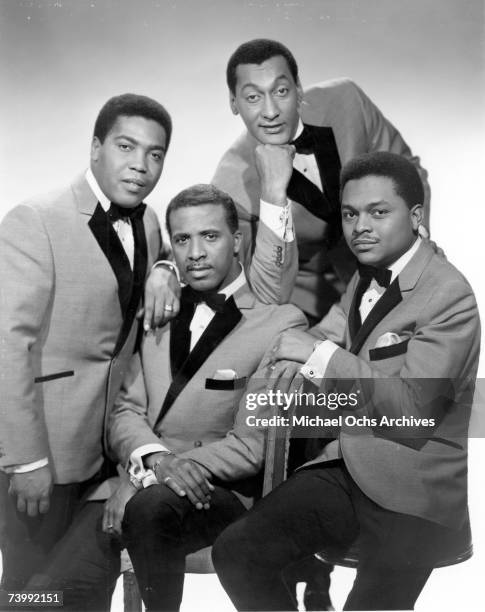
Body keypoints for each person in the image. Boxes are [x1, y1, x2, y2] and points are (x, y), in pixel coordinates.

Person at [212, 152, 480, 611]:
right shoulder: (364, 277)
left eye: (379, 212)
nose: (361, 227)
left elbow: (415, 411)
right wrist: (295, 352)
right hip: (348, 465)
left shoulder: (449, 295)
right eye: (351, 214)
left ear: (416, 217)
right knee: (236, 551)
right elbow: (328, 332)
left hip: (412, 490)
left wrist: (316, 355)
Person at [26, 184, 307, 611]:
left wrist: (152, 479)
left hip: (221, 495)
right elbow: (125, 410)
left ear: (238, 242)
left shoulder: (279, 325)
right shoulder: (159, 314)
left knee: (152, 508)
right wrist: (152, 466)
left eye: (209, 237)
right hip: (138, 483)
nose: (194, 252)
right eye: (182, 239)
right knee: (42, 597)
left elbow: (252, 446)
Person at [0, 93, 172, 591]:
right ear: (95, 147)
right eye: (126, 146)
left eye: (155, 154)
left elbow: (163, 262)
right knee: (30, 593)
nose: (141, 166)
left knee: (87, 589)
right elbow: (8, 345)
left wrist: (165, 268)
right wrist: (27, 460)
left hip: (107, 457)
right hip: (42, 455)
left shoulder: (150, 220)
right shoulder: (36, 220)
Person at [212, 38, 431, 322]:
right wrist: (273, 195)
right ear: (233, 103)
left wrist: (416, 243)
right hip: (310, 312)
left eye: (280, 91)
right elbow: (264, 296)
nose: (270, 112)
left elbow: (407, 171)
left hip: (397, 269)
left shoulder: (346, 100)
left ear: (298, 88)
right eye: (253, 97)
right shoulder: (228, 189)